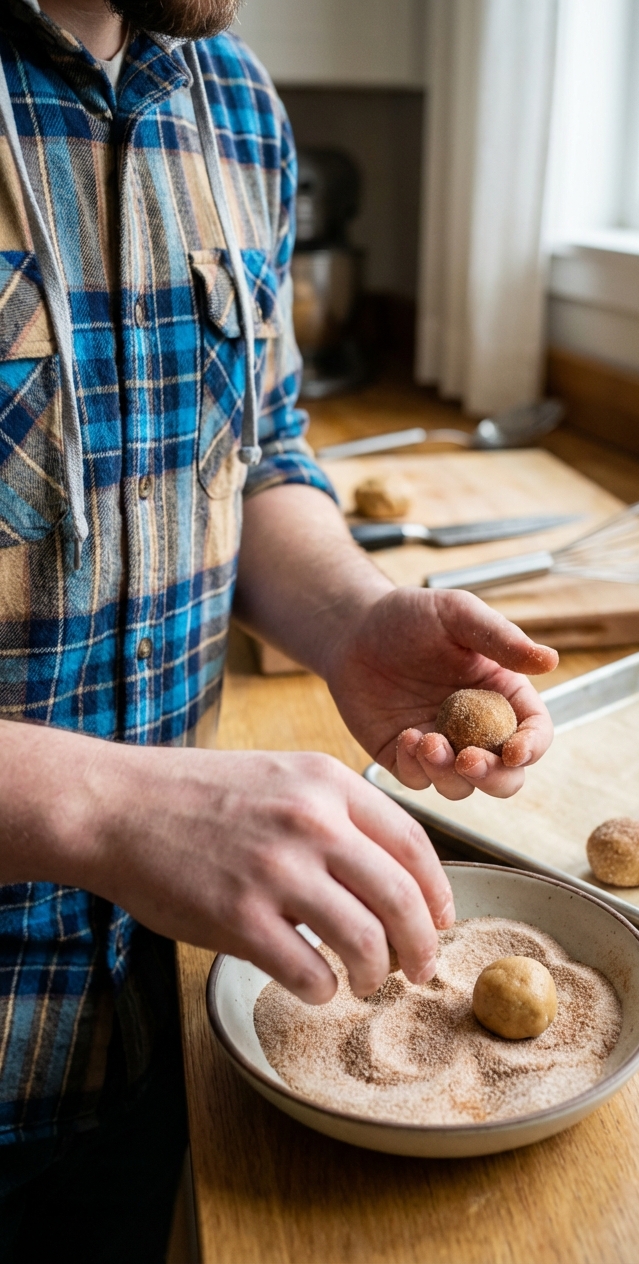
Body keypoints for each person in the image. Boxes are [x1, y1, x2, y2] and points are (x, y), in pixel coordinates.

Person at [0, 0, 558, 1258]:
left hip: (152, 1028)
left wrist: (352, 618)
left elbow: (253, 462)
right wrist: (103, 808)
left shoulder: (234, 103)